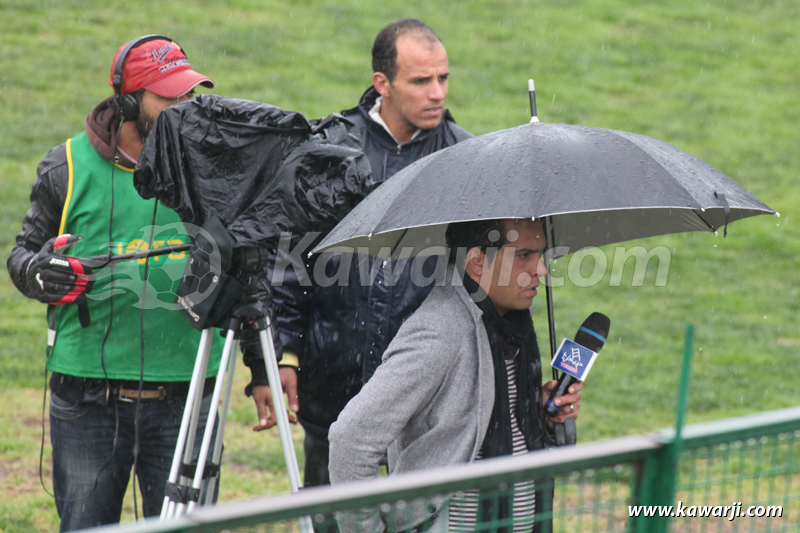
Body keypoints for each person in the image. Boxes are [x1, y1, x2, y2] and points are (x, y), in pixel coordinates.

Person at [6, 36, 272, 530]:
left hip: (188, 398)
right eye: (168, 98)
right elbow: (23, 256)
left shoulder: (218, 172)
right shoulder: (65, 166)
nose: (184, 109)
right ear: (128, 103)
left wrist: (261, 369)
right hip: (87, 402)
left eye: (189, 96)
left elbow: (249, 269)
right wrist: (39, 273)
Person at [268, 18, 473, 488]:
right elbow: (289, 260)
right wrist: (285, 354)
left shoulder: (465, 162)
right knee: (333, 517)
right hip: (332, 387)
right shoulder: (328, 149)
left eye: (443, 78)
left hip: (426, 399)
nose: (438, 92)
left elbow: (483, 284)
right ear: (382, 83)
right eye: (421, 81)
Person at [328, 218, 583, 533]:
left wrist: (538, 411)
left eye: (541, 254)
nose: (541, 270)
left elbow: (485, 425)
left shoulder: (509, 326)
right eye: (524, 256)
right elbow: (351, 438)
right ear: (477, 262)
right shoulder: (440, 331)